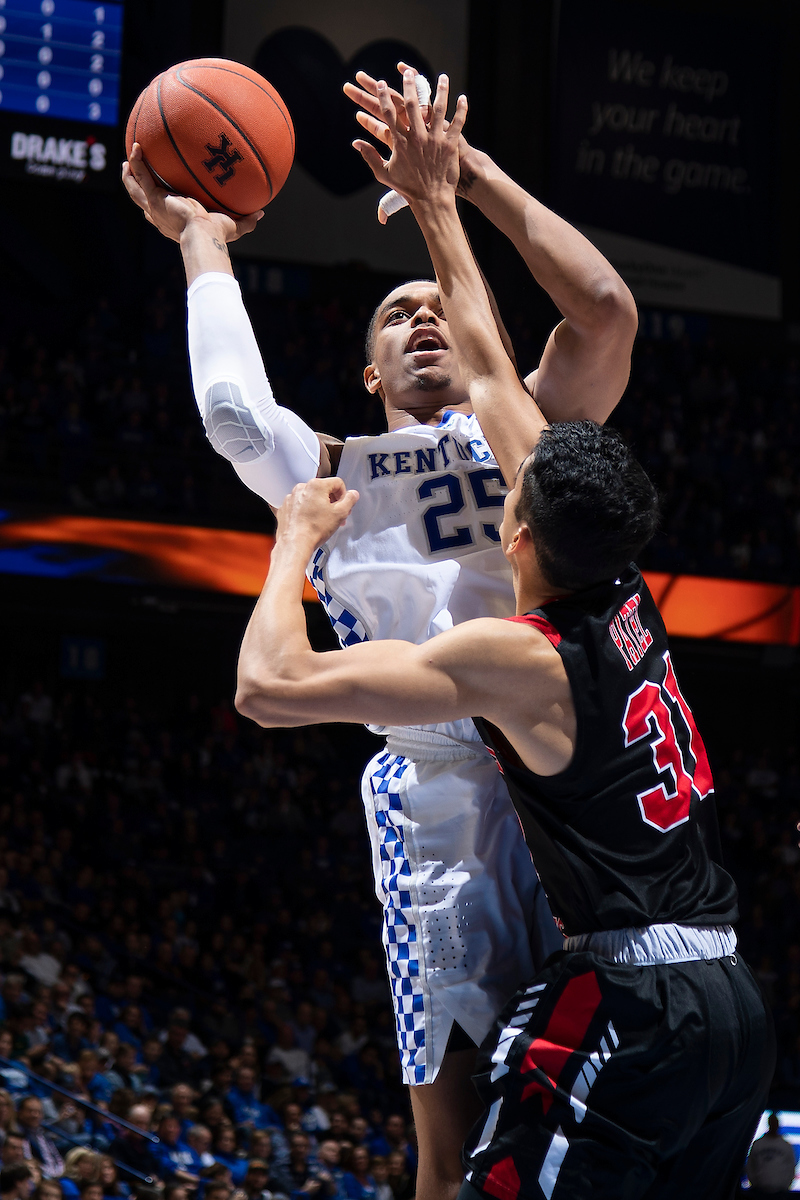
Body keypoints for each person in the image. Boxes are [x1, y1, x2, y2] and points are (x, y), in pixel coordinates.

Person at [233, 73, 776, 1199]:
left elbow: (269, 685)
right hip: (728, 983)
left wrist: (291, 542)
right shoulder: (624, 592)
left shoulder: (516, 658)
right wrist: (450, 183)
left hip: (631, 991)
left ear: (514, 524)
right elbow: (511, 355)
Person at [121, 54, 637, 1200]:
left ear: (468, 330)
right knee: (450, 1157)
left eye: (430, 304)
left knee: (593, 1133)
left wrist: (466, 175)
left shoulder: (530, 432)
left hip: (569, 785)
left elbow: (601, 309)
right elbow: (227, 412)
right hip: (442, 805)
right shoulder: (335, 473)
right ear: (364, 373)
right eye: (392, 315)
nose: (417, 318)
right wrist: (201, 242)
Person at [746, 1113, 797, 1195]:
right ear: (769, 1123)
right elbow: (750, 1165)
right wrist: (754, 1184)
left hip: (780, 1192)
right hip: (759, 1192)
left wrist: (785, 1186)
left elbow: (791, 1167)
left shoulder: (785, 1146)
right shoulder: (758, 1144)